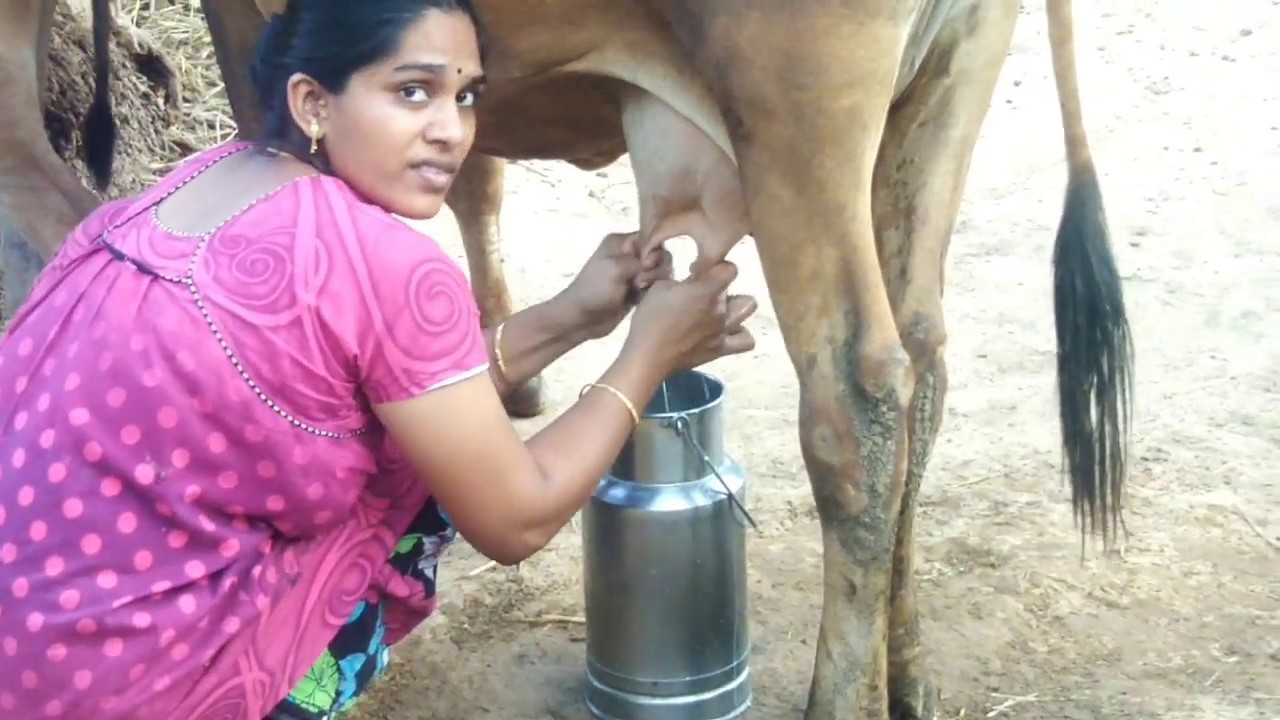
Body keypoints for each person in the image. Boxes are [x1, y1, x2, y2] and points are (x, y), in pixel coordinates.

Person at [0, 0, 759, 717]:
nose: (451, 131)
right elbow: (517, 518)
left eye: (465, 97)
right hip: (140, 688)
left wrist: (573, 316)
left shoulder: (200, 180)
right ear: (314, 104)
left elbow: (394, 386)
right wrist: (648, 355)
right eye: (412, 91)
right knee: (418, 492)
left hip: (32, 659)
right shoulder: (383, 258)